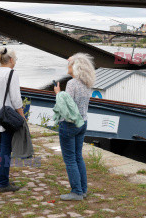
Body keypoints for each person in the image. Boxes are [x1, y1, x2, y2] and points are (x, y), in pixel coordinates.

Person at [54, 53, 95, 201]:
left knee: (70, 159)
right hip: (83, 122)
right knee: (78, 157)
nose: (67, 66)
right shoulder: (86, 83)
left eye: (70, 64)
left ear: (75, 67)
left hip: (70, 125)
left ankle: (76, 192)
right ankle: (83, 190)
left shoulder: (72, 84)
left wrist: (58, 94)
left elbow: (66, 108)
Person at [0, 47, 25, 192]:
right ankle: (4, 183)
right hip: (5, 116)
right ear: (10, 60)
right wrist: (21, 115)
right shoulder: (11, 73)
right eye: (15, 59)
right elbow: (15, 99)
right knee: (5, 149)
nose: (15, 62)